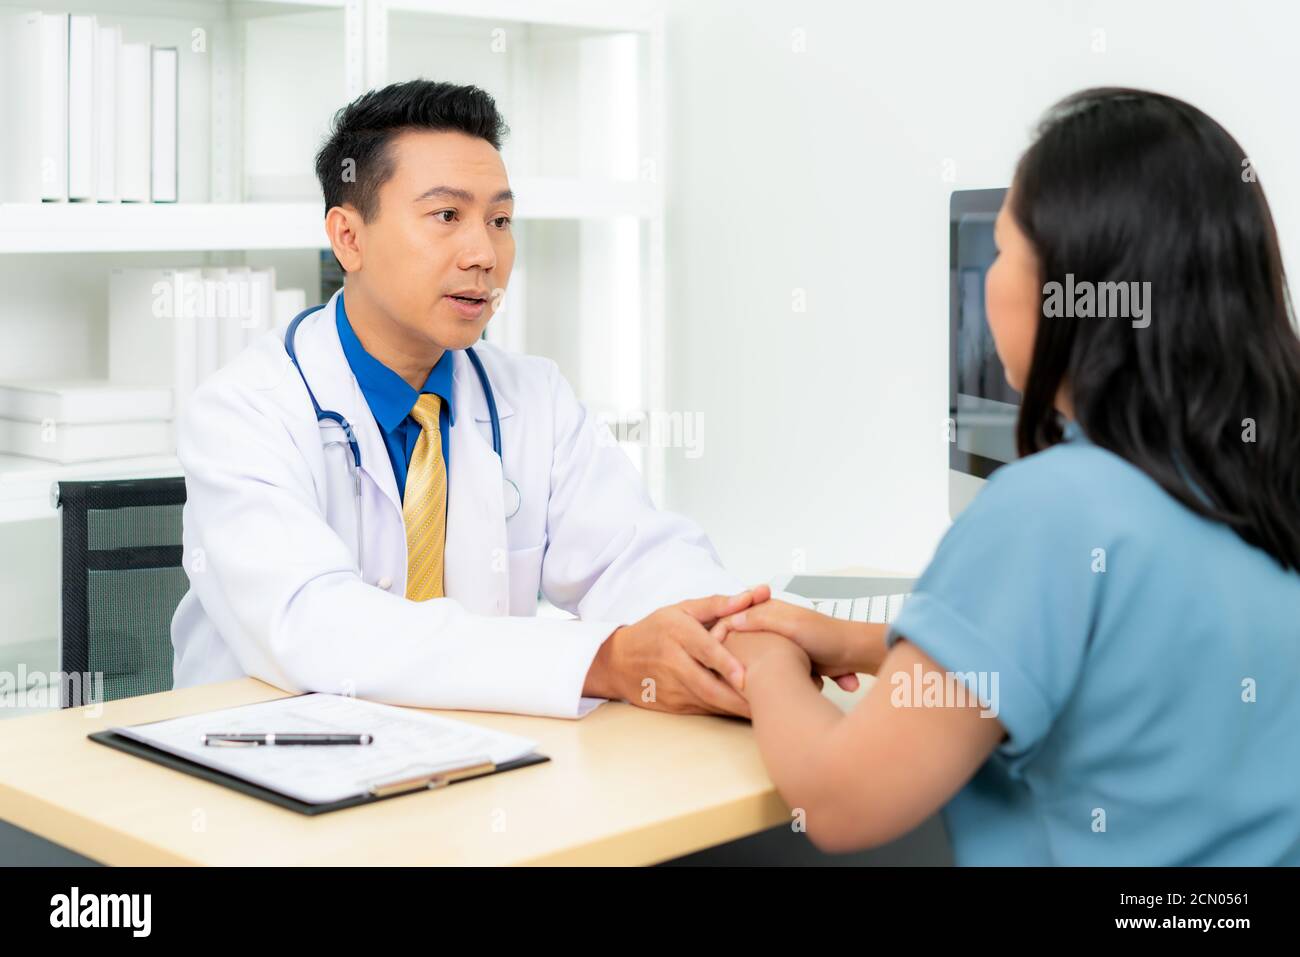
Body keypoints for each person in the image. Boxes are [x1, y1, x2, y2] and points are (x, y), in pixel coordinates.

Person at [712, 88, 1300, 864]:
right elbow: (1111, 672)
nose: (987, 281)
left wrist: (766, 665)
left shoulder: (1055, 510)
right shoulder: (1259, 474)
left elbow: (839, 799)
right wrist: (857, 642)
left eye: (1002, 248)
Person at [170, 80, 783, 719]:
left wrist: (730, 635)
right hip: (267, 764)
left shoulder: (532, 396)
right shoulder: (244, 411)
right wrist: (600, 661)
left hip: (467, 761)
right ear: (348, 237)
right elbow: (312, 624)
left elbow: (635, 557)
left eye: (499, 221)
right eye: (446, 217)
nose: (484, 255)